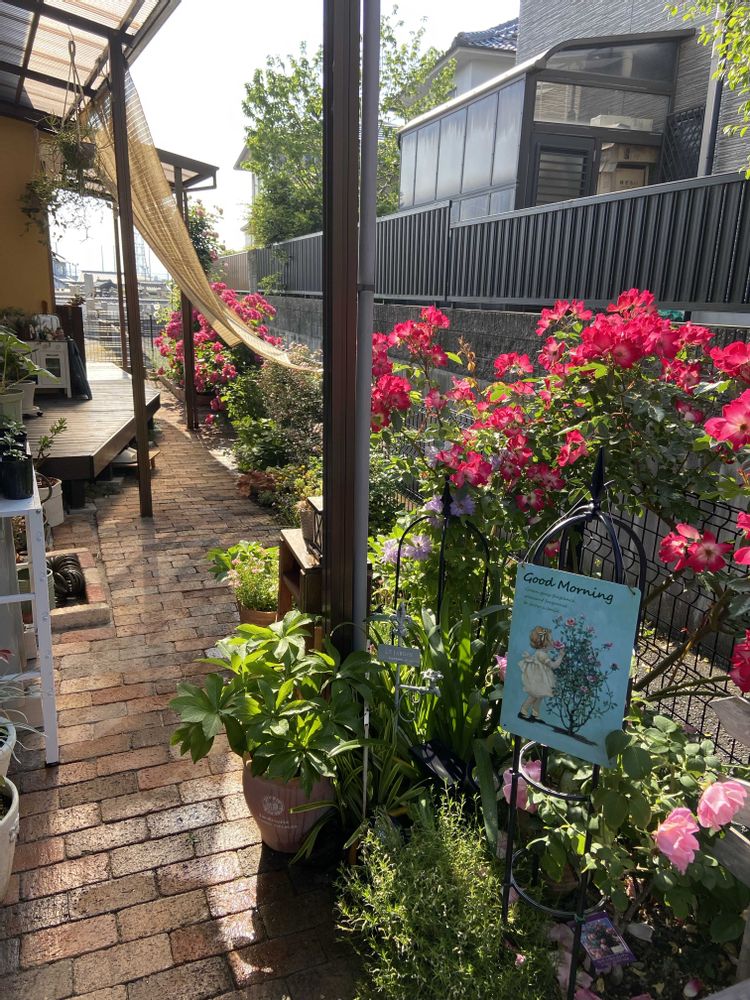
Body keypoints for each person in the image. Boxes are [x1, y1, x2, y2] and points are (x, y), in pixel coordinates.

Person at [518, 625, 563, 723]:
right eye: (551, 640)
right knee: (534, 696)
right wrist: (560, 657)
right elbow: (553, 666)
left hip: (541, 678)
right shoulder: (542, 655)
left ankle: (535, 714)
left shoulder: (541, 653)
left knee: (539, 696)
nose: (553, 642)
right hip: (539, 680)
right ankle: (523, 711)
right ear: (544, 643)